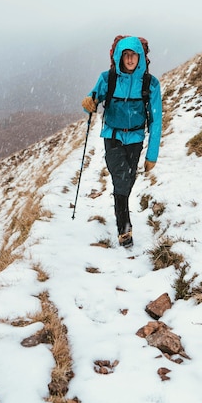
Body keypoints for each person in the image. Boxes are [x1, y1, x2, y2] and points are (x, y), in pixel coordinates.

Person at [82, 36, 162, 248]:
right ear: (119, 57)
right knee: (121, 177)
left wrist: (151, 154)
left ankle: (121, 207)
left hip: (136, 137)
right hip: (113, 135)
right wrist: (88, 103)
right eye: (125, 55)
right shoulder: (108, 79)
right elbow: (92, 101)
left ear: (140, 57)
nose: (129, 59)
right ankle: (124, 228)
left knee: (128, 179)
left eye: (133, 55)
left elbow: (156, 120)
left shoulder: (150, 84)